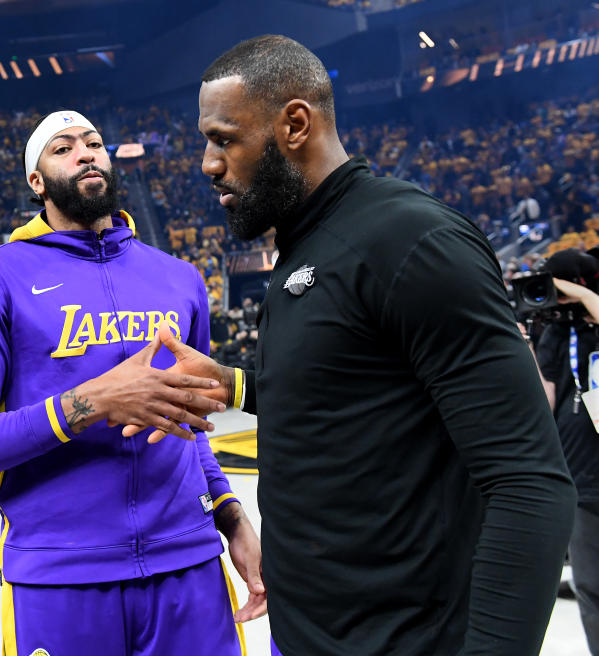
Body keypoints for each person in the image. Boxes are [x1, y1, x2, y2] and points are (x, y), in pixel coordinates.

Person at [136, 35, 576, 656]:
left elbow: (529, 484)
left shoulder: (411, 241)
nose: (209, 164)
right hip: (313, 633)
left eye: (224, 138)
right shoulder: (307, 246)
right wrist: (233, 385)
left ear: (294, 124)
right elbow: (350, 397)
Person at [0, 110, 264, 656]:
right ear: (36, 183)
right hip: (61, 579)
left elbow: (191, 423)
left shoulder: (178, 278)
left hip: (189, 565)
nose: (85, 153)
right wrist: (91, 402)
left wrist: (230, 515)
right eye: (61, 148)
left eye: (93, 143)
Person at [533, 248, 599, 655]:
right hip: (581, 481)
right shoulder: (558, 334)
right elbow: (542, 402)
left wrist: (582, 298)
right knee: (591, 589)